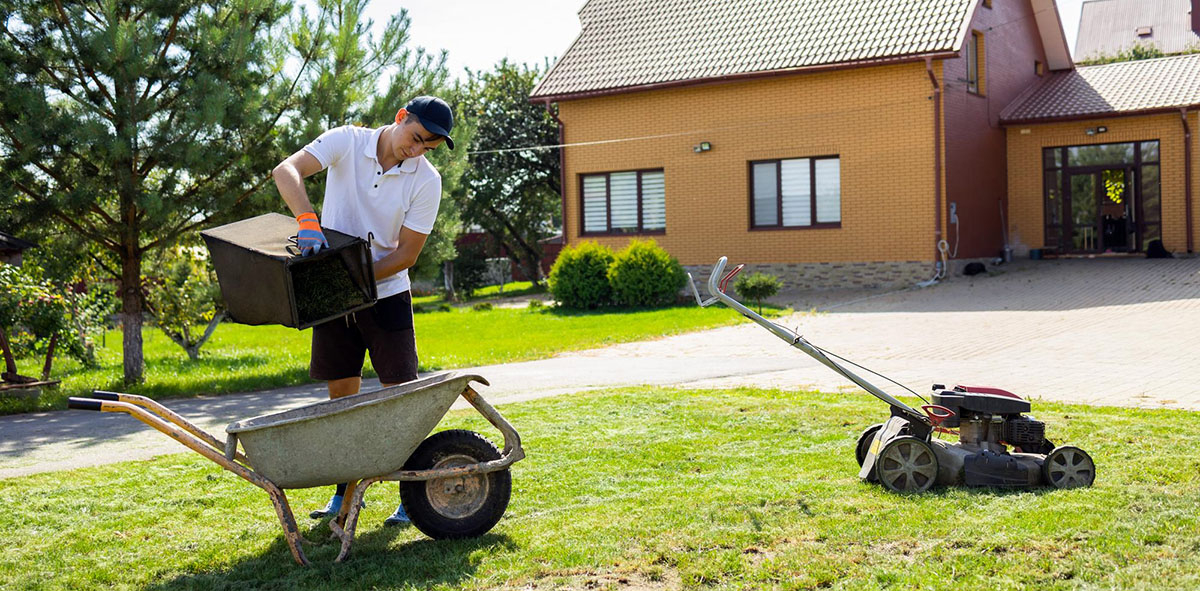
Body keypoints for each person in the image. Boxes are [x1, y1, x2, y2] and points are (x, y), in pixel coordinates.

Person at [271, 95, 454, 526]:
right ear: (399, 118)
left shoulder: (426, 181)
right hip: (334, 299)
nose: (418, 149)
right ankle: (346, 496)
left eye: (428, 145)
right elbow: (286, 171)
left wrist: (354, 275)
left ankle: (411, 497)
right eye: (416, 137)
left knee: (399, 400)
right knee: (342, 403)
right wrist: (307, 221)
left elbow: (407, 254)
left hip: (386, 295)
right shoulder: (347, 142)